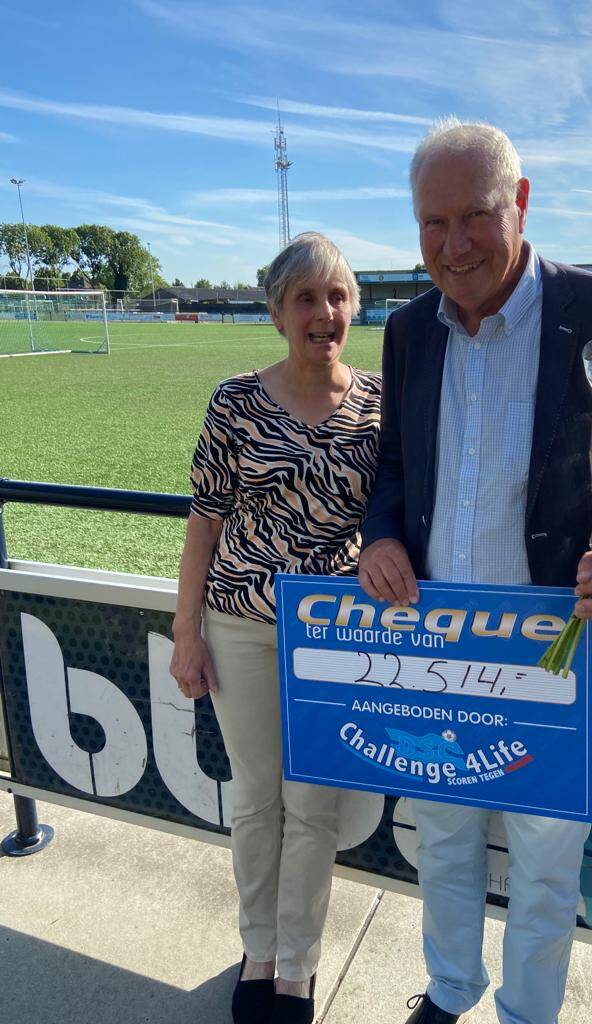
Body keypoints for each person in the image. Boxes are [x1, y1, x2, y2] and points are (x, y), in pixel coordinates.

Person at [358, 120, 592, 1024]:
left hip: (555, 651)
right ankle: (449, 990)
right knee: (444, 841)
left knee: (544, 864)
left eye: (476, 215)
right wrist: (381, 536)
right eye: (433, 222)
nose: (453, 244)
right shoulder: (408, 329)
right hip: (439, 647)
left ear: (521, 203)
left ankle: (528, 1015)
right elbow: (394, 466)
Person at [170, 232, 381, 1024]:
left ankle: (297, 967)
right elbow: (204, 520)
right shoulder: (234, 401)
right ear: (277, 312)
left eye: (338, 297)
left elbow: (395, 517)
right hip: (240, 626)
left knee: (315, 806)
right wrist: (186, 631)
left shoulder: (380, 404)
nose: (325, 313)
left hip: (333, 637)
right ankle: (258, 950)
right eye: (306, 298)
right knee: (259, 801)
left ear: (353, 308)